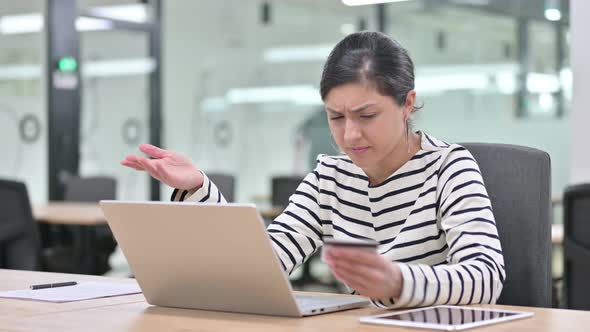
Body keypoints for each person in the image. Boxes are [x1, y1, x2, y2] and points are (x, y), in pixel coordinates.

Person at [121, 31, 504, 309]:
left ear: (407, 104)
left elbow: (485, 276)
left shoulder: (449, 167)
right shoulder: (331, 177)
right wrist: (199, 189)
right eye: (335, 117)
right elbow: (263, 265)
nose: (349, 134)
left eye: (366, 115)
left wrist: (398, 280)